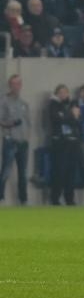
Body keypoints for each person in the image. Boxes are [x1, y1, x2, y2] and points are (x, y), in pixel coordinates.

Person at [0, 75, 30, 204]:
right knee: (6, 170)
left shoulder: (24, 103)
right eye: (13, 84)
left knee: (23, 172)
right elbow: (1, 120)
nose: (16, 86)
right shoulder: (4, 101)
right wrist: (11, 124)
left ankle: (23, 200)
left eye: (18, 83)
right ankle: (0, 197)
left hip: (23, 141)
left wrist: (27, 136)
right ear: (10, 85)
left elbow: (28, 122)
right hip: (10, 140)